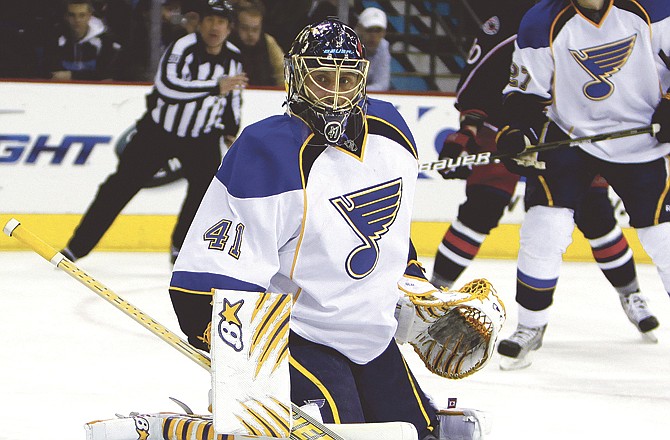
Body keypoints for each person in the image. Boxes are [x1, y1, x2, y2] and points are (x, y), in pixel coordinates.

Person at [168, 18, 501, 440]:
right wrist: (240, 365)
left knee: (425, 435)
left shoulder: (392, 131)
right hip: (297, 335)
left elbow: (391, 236)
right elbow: (203, 283)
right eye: (322, 77)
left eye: (347, 78)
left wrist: (417, 295)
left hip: (371, 336)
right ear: (297, 78)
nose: (337, 92)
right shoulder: (265, 150)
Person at [431, 0, 659, 370]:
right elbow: (480, 76)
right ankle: (434, 292)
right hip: (507, 131)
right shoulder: (511, 16)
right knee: (482, 208)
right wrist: (469, 129)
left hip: (566, 133)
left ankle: (631, 294)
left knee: (596, 214)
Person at [494, 0, 670, 367]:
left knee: (663, 238)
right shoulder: (541, 21)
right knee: (544, 226)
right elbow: (525, 91)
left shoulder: (652, 8)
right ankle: (530, 325)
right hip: (571, 136)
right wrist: (517, 130)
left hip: (641, 142)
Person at [61, 0, 248, 264]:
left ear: (229, 28)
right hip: (159, 132)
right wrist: (215, 86)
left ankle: (179, 247)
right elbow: (168, 87)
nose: (214, 27)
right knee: (119, 187)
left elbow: (234, 95)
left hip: (202, 137)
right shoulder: (182, 48)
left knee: (204, 193)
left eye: (221, 22)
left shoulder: (234, 57)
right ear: (199, 23)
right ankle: (76, 248)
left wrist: (231, 128)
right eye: (209, 20)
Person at [44, 0, 122, 80]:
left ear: (89, 16)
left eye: (82, 15)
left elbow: (106, 76)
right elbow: (50, 72)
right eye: (72, 15)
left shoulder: (106, 40)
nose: (77, 20)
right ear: (66, 16)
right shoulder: (54, 37)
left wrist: (72, 76)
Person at [228, 0, 284, 86]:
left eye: (255, 29)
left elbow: (282, 72)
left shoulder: (268, 42)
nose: (250, 34)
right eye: (244, 28)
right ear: (235, 26)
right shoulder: (227, 44)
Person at [355, 6, 391, 91]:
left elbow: (382, 84)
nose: (373, 35)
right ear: (360, 29)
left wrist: (359, 92)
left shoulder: (383, 47)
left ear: (384, 32)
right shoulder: (347, 44)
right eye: (369, 30)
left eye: (378, 30)